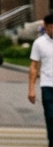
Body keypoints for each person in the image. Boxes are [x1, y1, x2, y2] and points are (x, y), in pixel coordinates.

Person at [29, 13, 53, 143]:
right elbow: (33, 66)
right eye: (51, 27)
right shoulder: (39, 43)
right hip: (48, 85)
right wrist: (31, 89)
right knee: (50, 116)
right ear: (46, 27)